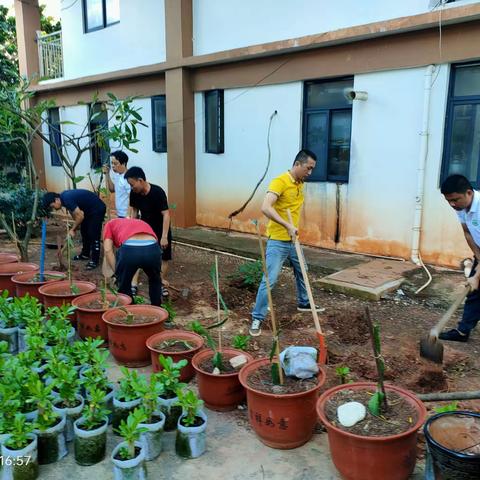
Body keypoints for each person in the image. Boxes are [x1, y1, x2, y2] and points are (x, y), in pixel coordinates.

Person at [250, 149, 324, 336]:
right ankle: (257, 318)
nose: (310, 173)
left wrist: (292, 230)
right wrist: (285, 224)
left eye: (312, 169)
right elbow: (265, 207)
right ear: (297, 164)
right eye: (308, 168)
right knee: (270, 279)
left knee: (303, 271)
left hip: (293, 240)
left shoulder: (299, 184)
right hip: (278, 241)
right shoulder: (280, 181)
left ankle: (304, 302)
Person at [440, 174, 480, 342]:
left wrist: (477, 275)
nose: (452, 204)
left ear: (469, 193)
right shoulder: (461, 208)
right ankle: (463, 332)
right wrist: (478, 259)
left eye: (455, 199)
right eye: (449, 201)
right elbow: (467, 233)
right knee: (474, 293)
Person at [124, 166, 172, 297]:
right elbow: (134, 211)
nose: (131, 188)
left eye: (132, 184)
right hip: (144, 227)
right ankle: (133, 284)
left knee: (164, 257)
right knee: (139, 254)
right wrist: (131, 229)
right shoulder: (134, 193)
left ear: (140, 180)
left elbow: (166, 214)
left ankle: (159, 283)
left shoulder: (157, 192)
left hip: (161, 226)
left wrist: (164, 236)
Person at [103, 218, 162, 306]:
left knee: (124, 284)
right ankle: (157, 309)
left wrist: (118, 274)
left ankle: (131, 311)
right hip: (152, 248)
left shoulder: (109, 224)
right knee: (155, 280)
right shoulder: (139, 222)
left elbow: (108, 250)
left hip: (130, 250)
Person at [43, 189, 106, 270]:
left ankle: (95, 260)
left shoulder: (66, 198)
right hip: (88, 211)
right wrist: (75, 228)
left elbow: (80, 216)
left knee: (93, 233)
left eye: (52, 206)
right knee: (84, 231)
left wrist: (72, 229)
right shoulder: (64, 198)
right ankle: (85, 254)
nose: (54, 209)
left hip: (97, 209)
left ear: (56, 199)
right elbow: (75, 215)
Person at [102, 150, 131, 218]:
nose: (113, 166)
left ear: (123, 164)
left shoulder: (128, 178)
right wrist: (107, 174)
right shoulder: (117, 175)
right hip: (119, 214)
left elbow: (132, 198)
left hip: (126, 215)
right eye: (112, 163)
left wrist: (129, 216)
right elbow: (112, 189)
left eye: (115, 163)